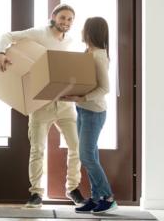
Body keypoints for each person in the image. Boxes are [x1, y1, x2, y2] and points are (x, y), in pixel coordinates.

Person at [0, 4, 85, 208]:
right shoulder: (38, 33)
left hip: (64, 104)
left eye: (70, 19)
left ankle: (73, 189)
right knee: (37, 149)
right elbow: (7, 35)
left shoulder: (70, 41)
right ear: (53, 17)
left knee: (76, 147)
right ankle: (36, 193)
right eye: (63, 18)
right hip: (40, 104)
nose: (66, 22)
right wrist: (0, 52)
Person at [60, 17, 118, 214]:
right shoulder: (89, 52)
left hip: (94, 113)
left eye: (84, 28)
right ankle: (95, 198)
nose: (81, 31)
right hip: (83, 110)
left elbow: (105, 88)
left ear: (91, 32)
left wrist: (82, 97)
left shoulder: (99, 55)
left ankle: (108, 197)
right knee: (90, 155)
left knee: (86, 156)